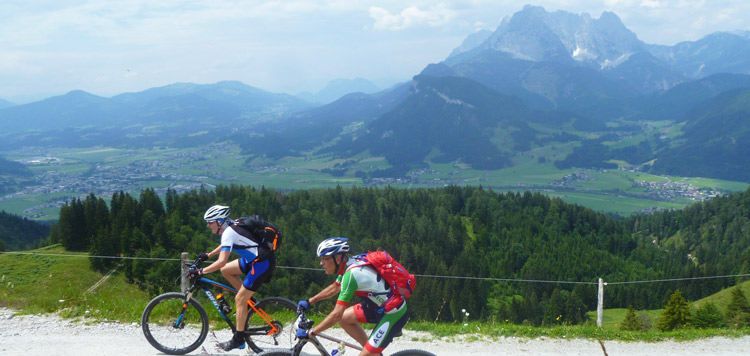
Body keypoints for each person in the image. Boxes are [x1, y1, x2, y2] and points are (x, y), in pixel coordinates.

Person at [296, 237, 409, 356]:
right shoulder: (350, 264)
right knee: (344, 319)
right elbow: (335, 288)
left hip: (393, 314)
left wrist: (312, 332)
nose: (321, 263)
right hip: (378, 307)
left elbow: (336, 314)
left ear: (338, 259)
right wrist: (310, 301)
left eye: (325, 259)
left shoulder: (351, 275)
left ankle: (371, 352)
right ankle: (372, 352)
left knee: (341, 317)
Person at [190, 205, 276, 351]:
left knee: (239, 299)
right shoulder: (231, 225)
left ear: (219, 221)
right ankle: (248, 302)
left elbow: (221, 260)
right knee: (226, 270)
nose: (208, 225)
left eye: (210, 222)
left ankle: (239, 339)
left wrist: (201, 272)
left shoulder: (228, 232)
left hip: (261, 263)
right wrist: (208, 255)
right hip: (255, 260)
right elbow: (226, 245)